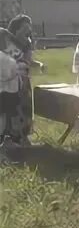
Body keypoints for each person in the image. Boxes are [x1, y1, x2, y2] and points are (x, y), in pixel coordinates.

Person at [0, 15, 44, 146]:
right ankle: (7, 138)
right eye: (25, 27)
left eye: (29, 27)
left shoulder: (26, 44)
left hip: (23, 82)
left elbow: (28, 61)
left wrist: (39, 64)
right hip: (7, 83)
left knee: (24, 110)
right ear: (16, 28)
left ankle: (22, 137)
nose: (28, 30)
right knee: (8, 111)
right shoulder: (4, 40)